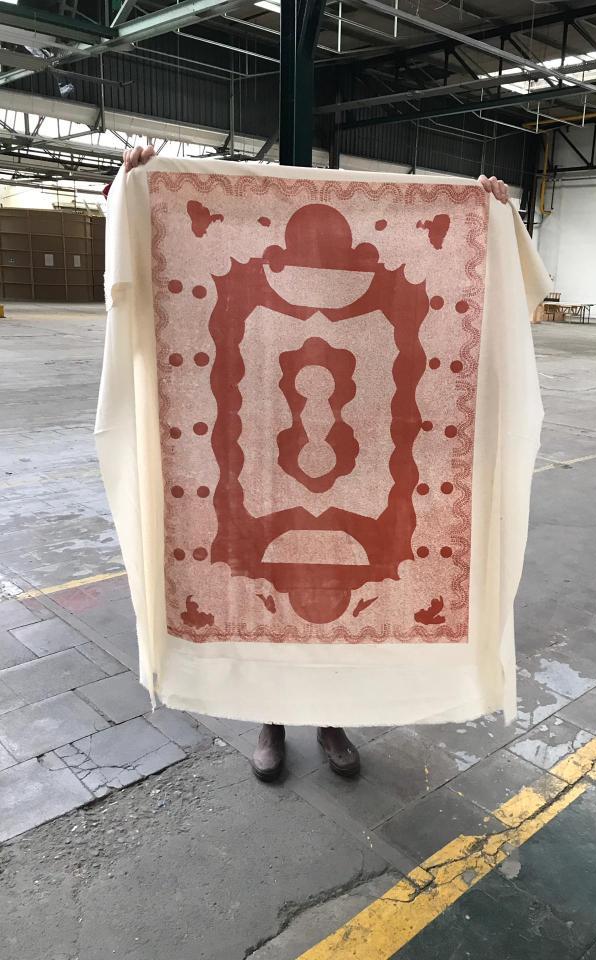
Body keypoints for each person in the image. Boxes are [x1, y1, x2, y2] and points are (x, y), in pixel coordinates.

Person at [116, 144, 509, 782]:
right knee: (269, 588)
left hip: (359, 478)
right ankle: (270, 719)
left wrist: (486, 214)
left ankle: (330, 720)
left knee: (332, 594)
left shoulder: (362, 311)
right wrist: (134, 190)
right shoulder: (259, 306)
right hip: (262, 473)